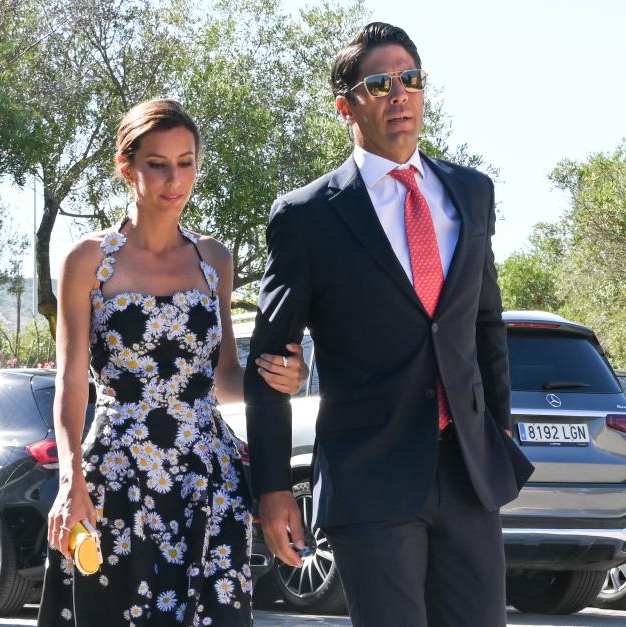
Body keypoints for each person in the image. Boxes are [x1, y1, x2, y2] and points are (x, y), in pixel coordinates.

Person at [245, 22, 535, 627]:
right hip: (370, 477)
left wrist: (499, 432)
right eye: (379, 84)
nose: (399, 94)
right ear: (345, 106)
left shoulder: (470, 193)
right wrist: (273, 490)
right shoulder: (308, 217)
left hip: (467, 472)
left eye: (411, 79)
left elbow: (486, 326)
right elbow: (269, 365)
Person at [37, 98, 307, 627]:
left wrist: (276, 380)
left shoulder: (215, 260)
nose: (174, 178)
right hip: (118, 476)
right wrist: (72, 480)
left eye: (186, 163)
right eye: (157, 163)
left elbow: (223, 378)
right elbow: (71, 383)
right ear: (126, 167)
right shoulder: (88, 260)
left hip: (206, 479)